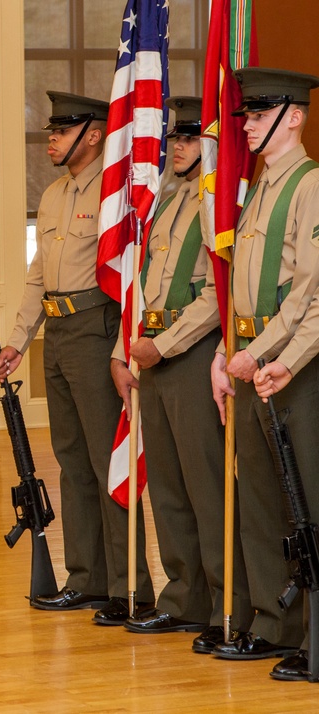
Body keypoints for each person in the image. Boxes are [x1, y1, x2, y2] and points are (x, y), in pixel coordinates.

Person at [0, 91, 154, 625]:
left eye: (61, 131)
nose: (51, 140)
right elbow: (39, 272)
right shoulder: (57, 194)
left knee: (107, 461)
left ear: (91, 134)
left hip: (94, 330)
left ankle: (126, 585)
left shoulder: (116, 196)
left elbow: (131, 281)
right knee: (72, 461)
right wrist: (19, 338)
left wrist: (117, 349)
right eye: (50, 131)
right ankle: (85, 578)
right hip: (57, 335)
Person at [109, 96, 252, 653]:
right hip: (154, 355)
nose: (175, 148)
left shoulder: (218, 205)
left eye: (189, 140)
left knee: (206, 484)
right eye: (173, 139)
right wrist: (132, 349)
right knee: (167, 485)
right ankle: (183, 597)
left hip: (191, 356)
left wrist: (162, 346)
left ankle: (226, 604)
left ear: (211, 144)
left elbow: (220, 296)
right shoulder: (166, 203)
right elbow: (143, 285)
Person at [210, 68, 319, 681]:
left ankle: (315, 632)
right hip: (251, 362)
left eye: (259, 113)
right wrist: (227, 355)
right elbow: (245, 290)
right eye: (246, 115)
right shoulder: (257, 189)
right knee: (257, 499)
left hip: (291, 367)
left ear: (294, 117)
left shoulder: (311, 186)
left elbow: (307, 293)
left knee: (306, 501)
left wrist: (268, 356)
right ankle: (271, 624)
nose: (246, 124)